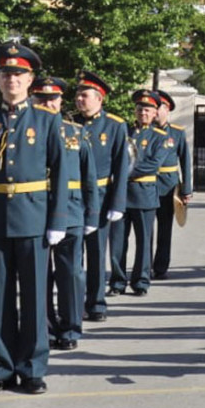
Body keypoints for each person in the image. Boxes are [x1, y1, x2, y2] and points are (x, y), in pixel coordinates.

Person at [0, 42, 69, 395]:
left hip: (35, 218)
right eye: (6, 74)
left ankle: (33, 368)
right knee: (2, 299)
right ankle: (2, 370)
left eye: (18, 74)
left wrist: (58, 220)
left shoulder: (46, 120)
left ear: (30, 79)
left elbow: (61, 171)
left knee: (36, 297)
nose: (12, 79)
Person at [32, 77, 100, 351]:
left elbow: (89, 177)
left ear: (61, 101)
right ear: (33, 101)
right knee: (39, 275)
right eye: (41, 99)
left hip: (71, 212)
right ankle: (45, 326)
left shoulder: (75, 132)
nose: (48, 104)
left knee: (70, 274)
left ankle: (70, 328)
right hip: (35, 211)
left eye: (53, 99)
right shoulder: (26, 131)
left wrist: (92, 215)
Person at [72, 70, 129, 322]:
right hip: (72, 196)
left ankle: (96, 303)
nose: (79, 100)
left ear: (99, 98)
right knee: (73, 254)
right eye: (78, 95)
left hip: (102, 196)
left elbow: (121, 166)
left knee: (95, 253)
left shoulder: (115, 125)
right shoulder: (69, 123)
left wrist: (117, 203)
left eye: (85, 95)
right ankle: (73, 303)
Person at [109, 90, 168, 297]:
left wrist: (122, 171)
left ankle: (141, 281)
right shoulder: (123, 131)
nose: (143, 112)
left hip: (144, 195)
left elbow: (152, 165)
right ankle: (117, 281)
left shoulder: (160, 137)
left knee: (144, 242)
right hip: (121, 195)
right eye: (140, 109)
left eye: (148, 110)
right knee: (117, 242)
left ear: (154, 114)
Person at [151, 90, 193, 280]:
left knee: (164, 229)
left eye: (157, 107)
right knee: (145, 232)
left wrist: (187, 190)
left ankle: (160, 267)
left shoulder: (176, 132)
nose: (154, 111)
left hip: (168, 187)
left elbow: (185, 161)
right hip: (147, 185)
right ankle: (143, 267)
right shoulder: (144, 131)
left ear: (166, 109)